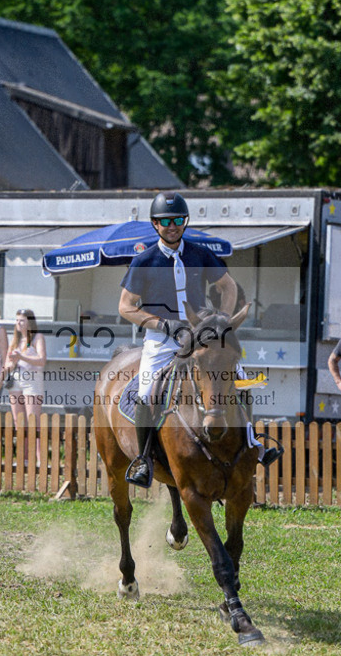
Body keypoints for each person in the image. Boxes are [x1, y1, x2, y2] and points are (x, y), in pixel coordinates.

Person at [118, 191, 282, 487]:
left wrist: (220, 323)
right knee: (147, 392)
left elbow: (228, 287)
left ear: (185, 222)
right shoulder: (144, 260)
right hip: (161, 340)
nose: (173, 225)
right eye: (166, 220)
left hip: (201, 336)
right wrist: (163, 324)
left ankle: (252, 442)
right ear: (155, 224)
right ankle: (144, 460)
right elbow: (125, 306)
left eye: (178, 220)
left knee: (241, 379)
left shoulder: (200, 253)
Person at [4, 308, 47, 464]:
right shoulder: (15, 340)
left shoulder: (37, 338)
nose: (18, 323)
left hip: (32, 382)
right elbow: (6, 365)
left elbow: (42, 360)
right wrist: (12, 362)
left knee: (33, 421)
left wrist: (22, 356)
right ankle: (23, 458)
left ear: (30, 322)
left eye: (22, 320)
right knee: (18, 421)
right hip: (16, 380)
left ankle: (39, 458)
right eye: (17, 320)